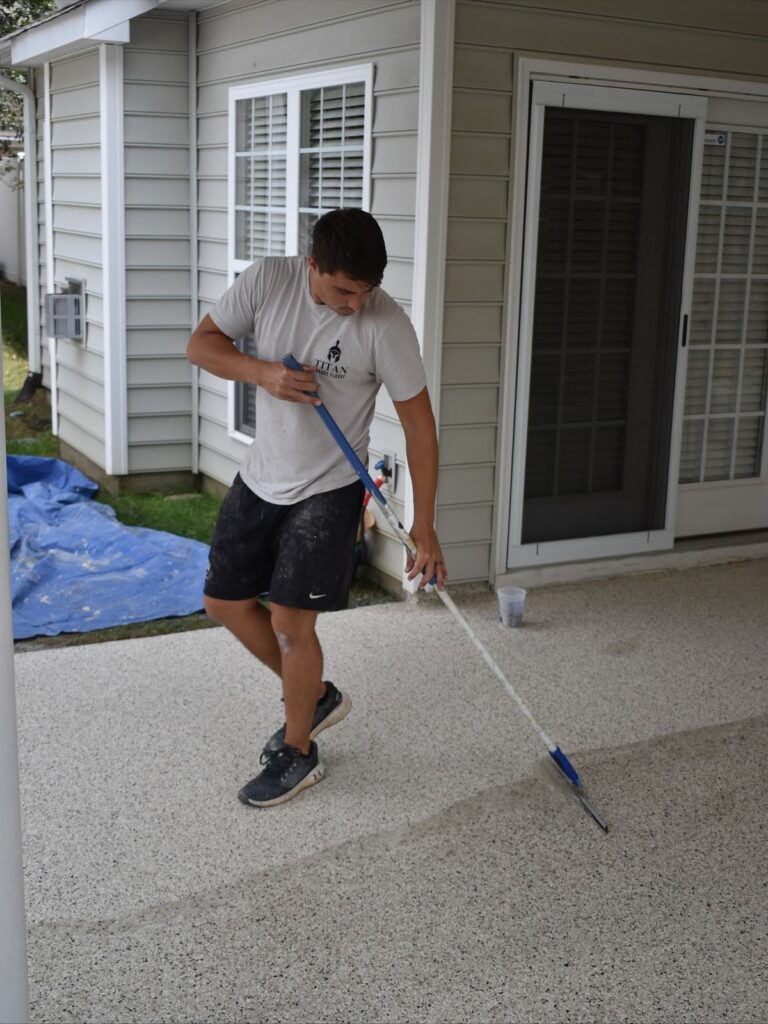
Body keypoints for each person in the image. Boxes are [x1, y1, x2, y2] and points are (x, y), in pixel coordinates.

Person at [186, 208, 446, 808]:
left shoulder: (386, 325)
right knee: (223, 602)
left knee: (289, 625)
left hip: (330, 485)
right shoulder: (268, 282)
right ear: (313, 266)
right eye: (343, 291)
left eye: (367, 291)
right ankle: (316, 695)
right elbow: (201, 345)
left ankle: (299, 751)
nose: (356, 304)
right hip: (261, 474)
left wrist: (424, 523)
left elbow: (420, 427)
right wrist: (264, 375)